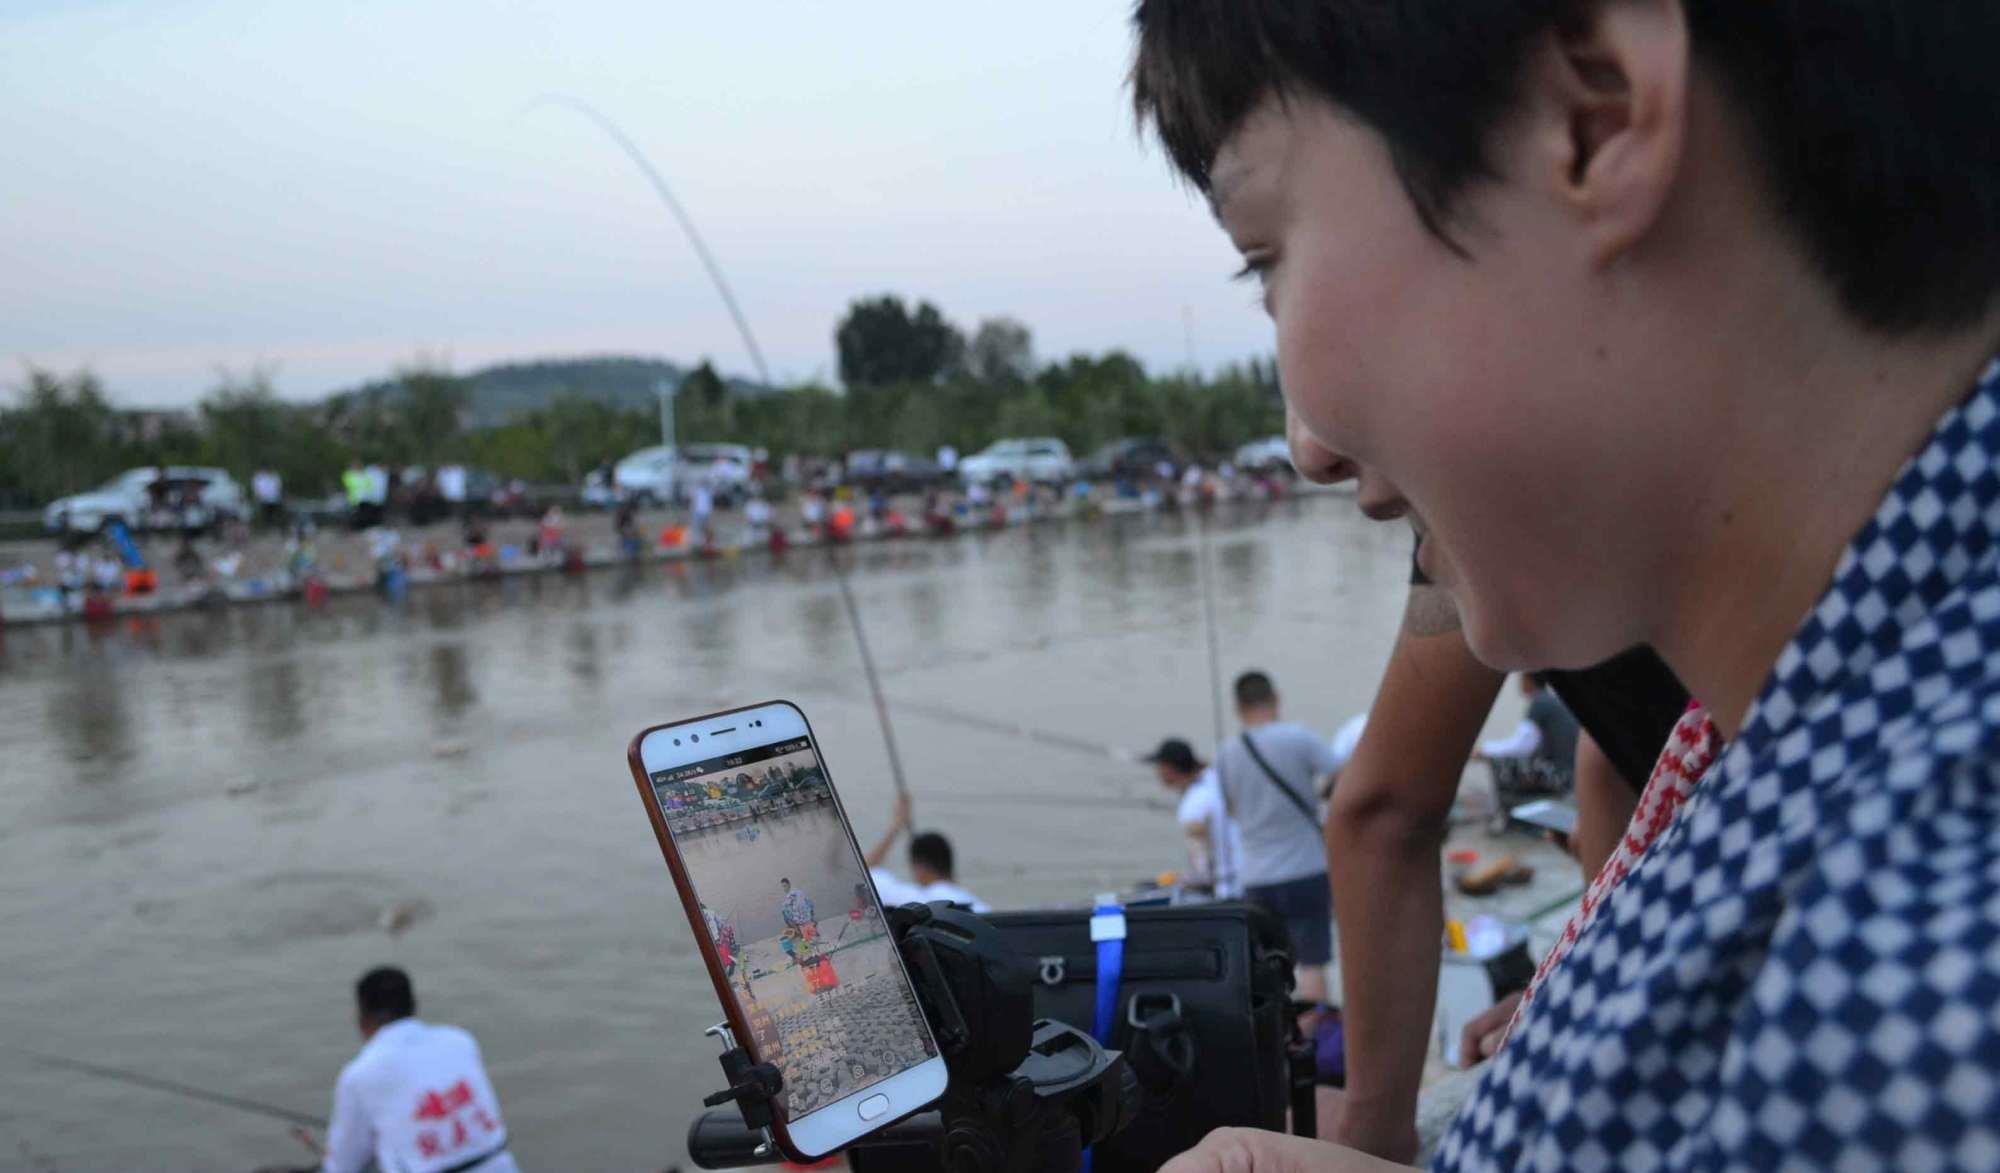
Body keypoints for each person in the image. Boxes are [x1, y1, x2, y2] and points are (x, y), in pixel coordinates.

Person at [1134, 1, 2000, 1169]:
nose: (1309, 446)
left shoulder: (1892, 1011)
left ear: (1590, 120)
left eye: (1268, 255)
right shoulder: (1770, 743)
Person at [1213, 671, 1337, 1003]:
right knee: (1310, 964)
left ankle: (1280, 1046)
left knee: (1270, 967)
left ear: (1238, 707)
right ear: (1276, 698)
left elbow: (1231, 810)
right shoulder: (1299, 738)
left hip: (1256, 877)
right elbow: (1342, 776)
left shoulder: (1225, 754)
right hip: (1306, 869)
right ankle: (1315, 1045)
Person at [318, 967, 516, 1173]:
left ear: (362, 1018)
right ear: (413, 1006)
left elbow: (341, 1166)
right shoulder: (459, 1040)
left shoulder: (359, 1075)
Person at [1145, 737, 1242, 899]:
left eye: (1159, 766)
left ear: (1168, 769)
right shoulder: (1215, 779)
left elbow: (1203, 875)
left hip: (1230, 893)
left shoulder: (1192, 807)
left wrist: (1170, 880)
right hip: (1252, 878)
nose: (1157, 772)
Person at [863, 794, 990, 912]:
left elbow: (864, 874)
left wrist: (897, 825)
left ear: (920, 867)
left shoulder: (919, 901)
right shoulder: (978, 906)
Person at [778, 878, 816, 942]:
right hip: (808, 916)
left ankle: (797, 931)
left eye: (785, 886)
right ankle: (809, 926)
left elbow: (785, 907)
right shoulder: (799, 891)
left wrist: (788, 913)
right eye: (783, 887)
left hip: (801, 919)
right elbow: (810, 903)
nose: (784, 889)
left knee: (784, 913)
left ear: (789, 884)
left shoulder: (790, 896)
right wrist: (811, 912)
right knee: (791, 911)